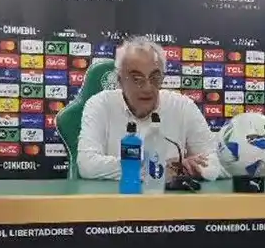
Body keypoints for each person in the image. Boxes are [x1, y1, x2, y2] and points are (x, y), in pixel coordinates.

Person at [77, 36, 222, 181]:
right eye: (137, 79)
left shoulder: (183, 107)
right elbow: (87, 165)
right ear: (120, 81)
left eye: (154, 78)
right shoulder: (100, 105)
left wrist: (189, 169)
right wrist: (158, 169)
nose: (147, 88)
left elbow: (214, 162)